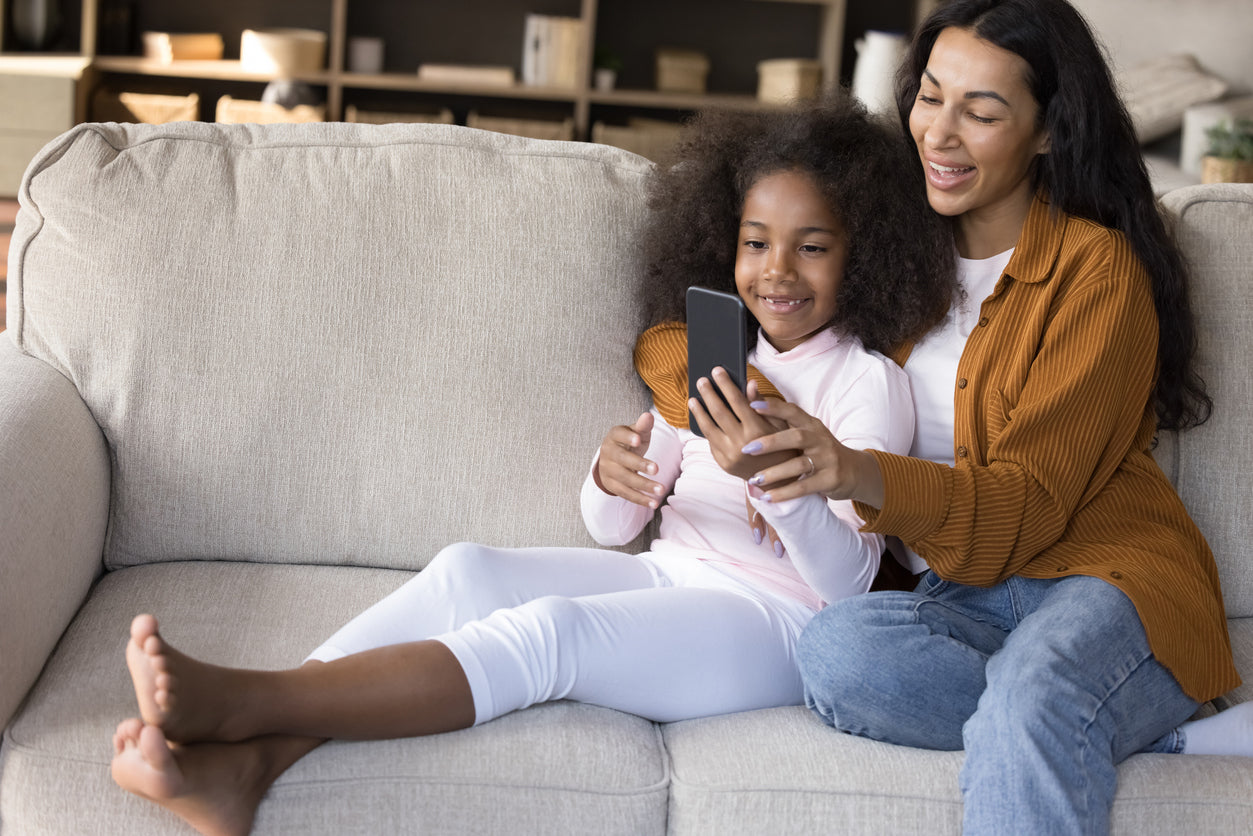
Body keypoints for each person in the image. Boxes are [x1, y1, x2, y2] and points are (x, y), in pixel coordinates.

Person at [108, 98, 956, 836]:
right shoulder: (711, 351)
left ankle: (251, 702)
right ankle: (242, 772)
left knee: (553, 632)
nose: (777, 271)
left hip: (775, 623)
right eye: (756, 242)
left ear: (864, 255)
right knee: (466, 570)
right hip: (671, 572)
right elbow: (611, 527)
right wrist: (612, 476)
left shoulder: (865, 387)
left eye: (811, 248)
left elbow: (846, 592)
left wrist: (775, 477)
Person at [733, 0, 1251, 832]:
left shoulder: (1096, 273)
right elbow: (692, 314)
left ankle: (1060, 709)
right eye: (930, 96)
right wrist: (701, 399)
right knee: (835, 652)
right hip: (961, 598)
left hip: (1104, 576)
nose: (937, 133)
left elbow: (1024, 508)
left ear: (1047, 132)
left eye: (979, 113)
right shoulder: (890, 253)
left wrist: (856, 470)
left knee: (1036, 685)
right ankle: (1116, 725)